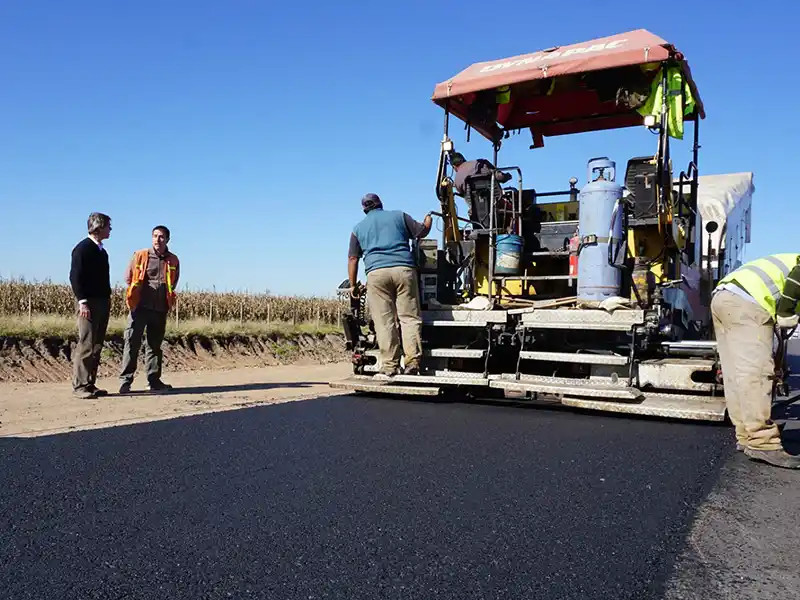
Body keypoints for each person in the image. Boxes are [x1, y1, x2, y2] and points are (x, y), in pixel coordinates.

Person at [711, 253, 800, 469]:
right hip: (750, 301)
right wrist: (786, 313)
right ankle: (762, 441)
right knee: (757, 372)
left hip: (724, 297)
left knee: (736, 373)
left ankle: (746, 434)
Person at [348, 193, 432, 378]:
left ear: (364, 209)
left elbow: (353, 258)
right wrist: (428, 220)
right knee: (409, 318)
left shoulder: (358, 228)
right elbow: (422, 232)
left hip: (376, 274)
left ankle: (390, 365)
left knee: (384, 321)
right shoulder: (399, 216)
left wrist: (353, 285)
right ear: (380, 204)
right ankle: (412, 363)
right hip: (403, 270)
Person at [119, 225, 180, 394]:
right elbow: (128, 277)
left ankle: (153, 381)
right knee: (132, 343)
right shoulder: (140, 255)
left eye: (161, 237)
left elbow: (173, 283)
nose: (157, 240)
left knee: (154, 346)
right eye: (154, 236)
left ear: (167, 239)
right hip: (140, 307)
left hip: (160, 309)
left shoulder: (173, 260)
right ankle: (125, 382)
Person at [69, 212, 112, 399]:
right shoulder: (82, 249)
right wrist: (83, 301)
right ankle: (80, 386)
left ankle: (90, 383)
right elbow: (75, 277)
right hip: (89, 303)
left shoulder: (102, 251)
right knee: (86, 344)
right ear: (98, 227)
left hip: (102, 302)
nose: (110, 229)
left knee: (96, 345)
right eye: (108, 226)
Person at [450, 152, 513, 229]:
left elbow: (464, 194)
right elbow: (500, 177)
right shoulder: (481, 163)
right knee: (510, 207)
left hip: (476, 213)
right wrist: (507, 176)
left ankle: (478, 229)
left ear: (454, 166)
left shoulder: (457, 179)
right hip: (496, 205)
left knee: (472, 210)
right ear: (464, 159)